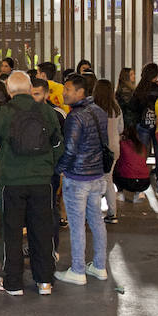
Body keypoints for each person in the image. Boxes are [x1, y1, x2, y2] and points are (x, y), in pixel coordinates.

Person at [0, 72, 63, 296]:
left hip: (11, 181)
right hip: (41, 181)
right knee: (42, 230)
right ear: (30, 89)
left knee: (12, 232)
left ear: (9, 91)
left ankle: (13, 283)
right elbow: (59, 145)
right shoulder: (47, 112)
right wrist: (47, 167)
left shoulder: (2, 114)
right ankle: (44, 281)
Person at [54, 74, 108, 286]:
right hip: (97, 176)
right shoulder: (99, 112)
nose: (63, 93)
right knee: (96, 221)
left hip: (77, 178)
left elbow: (69, 150)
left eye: (68, 89)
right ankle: (99, 266)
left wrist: (59, 169)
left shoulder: (75, 117)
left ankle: (78, 269)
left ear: (80, 92)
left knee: (77, 226)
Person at [31, 78, 66, 259]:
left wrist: (55, 167)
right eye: (31, 93)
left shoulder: (57, 114)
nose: (33, 97)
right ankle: (35, 245)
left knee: (50, 209)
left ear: (45, 94)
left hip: (49, 172)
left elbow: (62, 144)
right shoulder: (24, 113)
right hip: (31, 173)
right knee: (33, 211)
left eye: (36, 93)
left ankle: (52, 248)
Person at [93, 79, 123, 224]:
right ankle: (112, 213)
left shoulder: (93, 108)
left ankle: (93, 211)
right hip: (113, 149)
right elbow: (121, 128)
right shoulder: (116, 108)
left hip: (96, 149)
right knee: (108, 180)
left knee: (94, 181)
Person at [131, 64, 158, 175]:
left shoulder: (139, 89)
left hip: (142, 124)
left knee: (142, 151)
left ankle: (140, 173)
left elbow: (134, 108)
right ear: (155, 75)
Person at [114, 125, 151, 202]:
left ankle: (120, 193)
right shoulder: (142, 146)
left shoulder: (122, 144)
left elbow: (118, 160)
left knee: (114, 170)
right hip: (145, 182)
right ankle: (139, 193)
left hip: (127, 182)